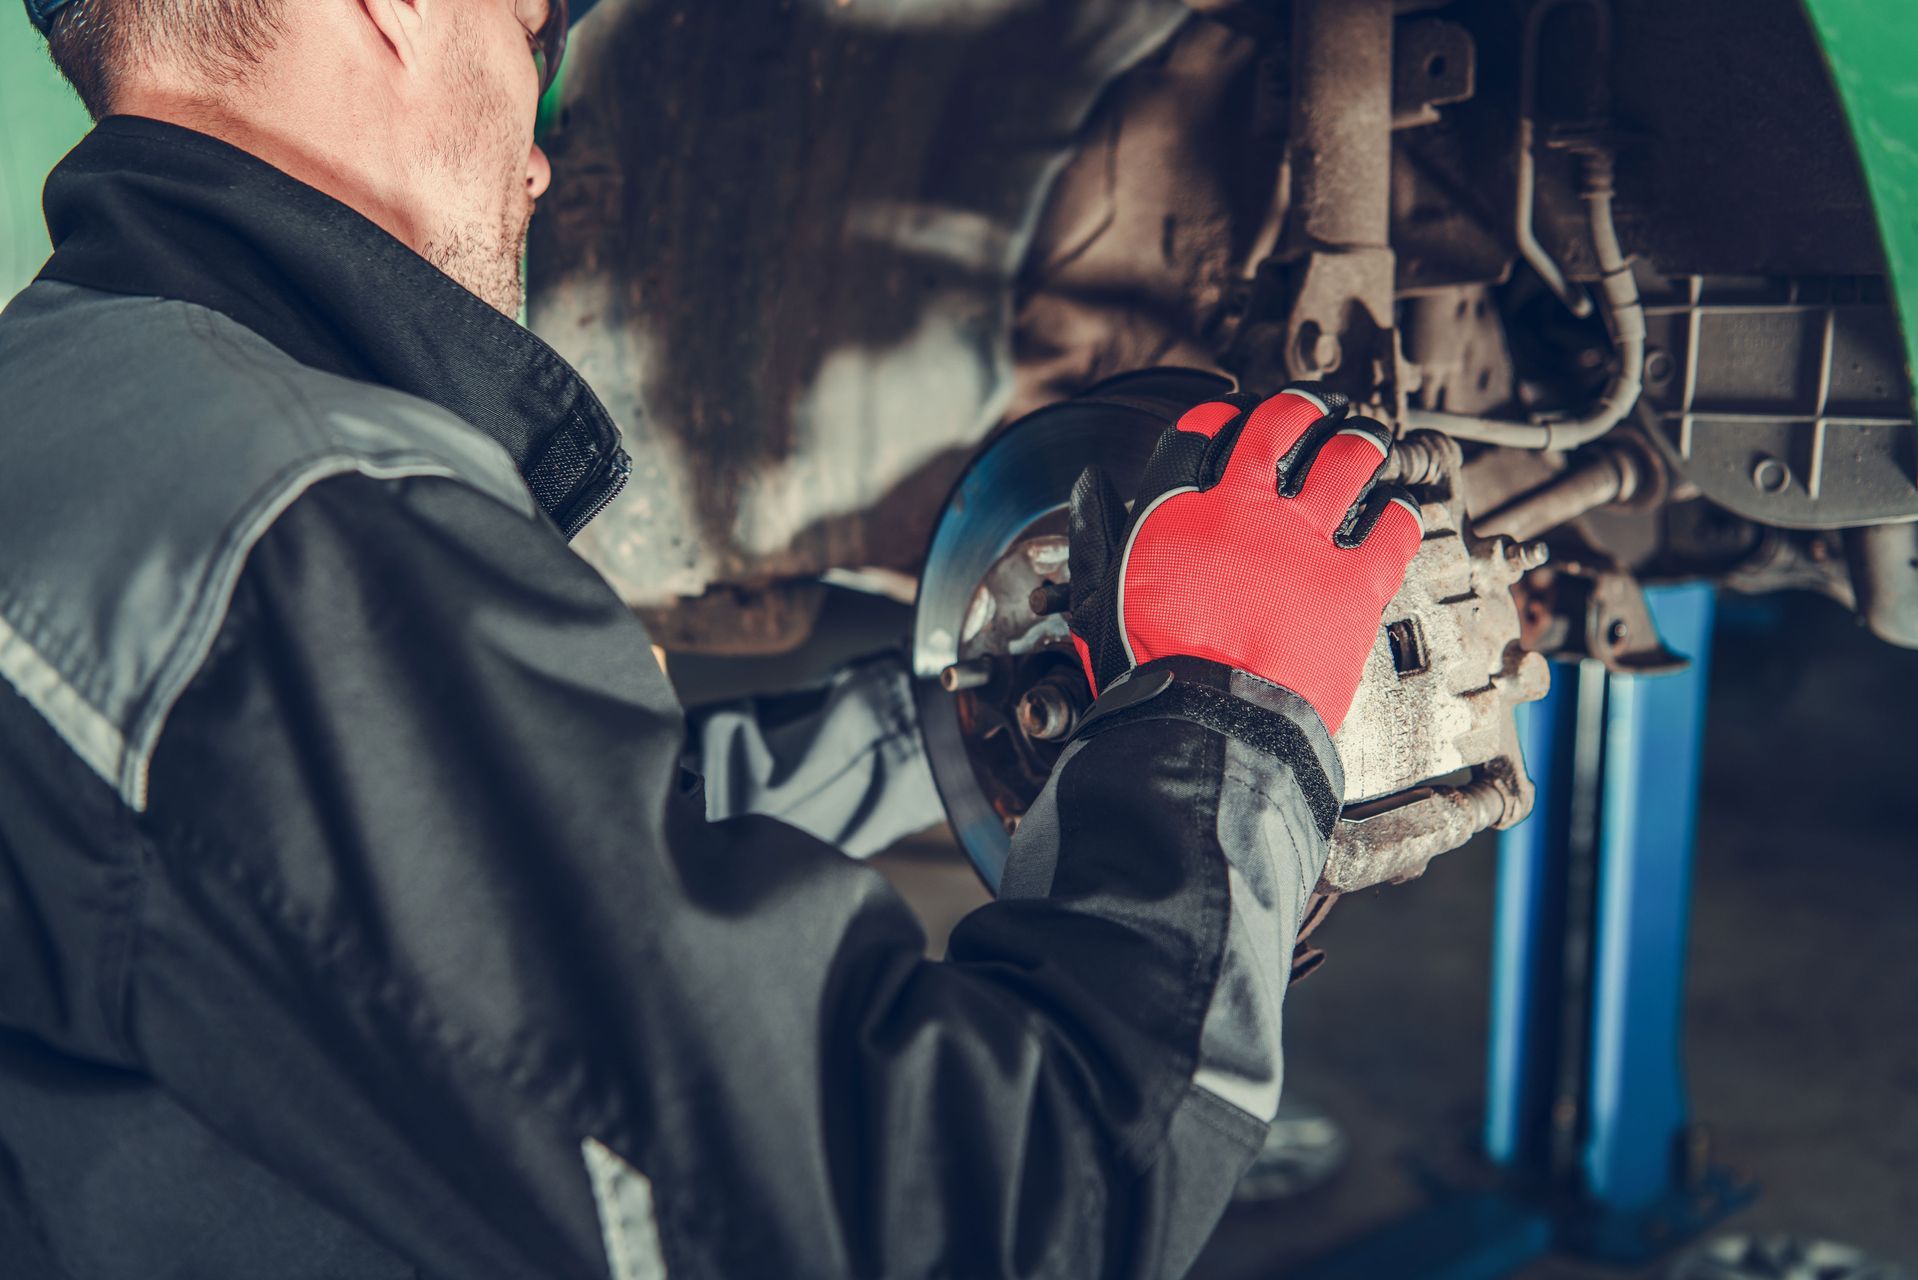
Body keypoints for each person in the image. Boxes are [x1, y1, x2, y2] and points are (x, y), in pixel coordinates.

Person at [0, 0, 1422, 1276]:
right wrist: (1222, 715)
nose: (545, 160)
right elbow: (965, 1224)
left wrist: (969, 712)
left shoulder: (94, 417)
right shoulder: (306, 535)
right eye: (531, 36)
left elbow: (541, 859)